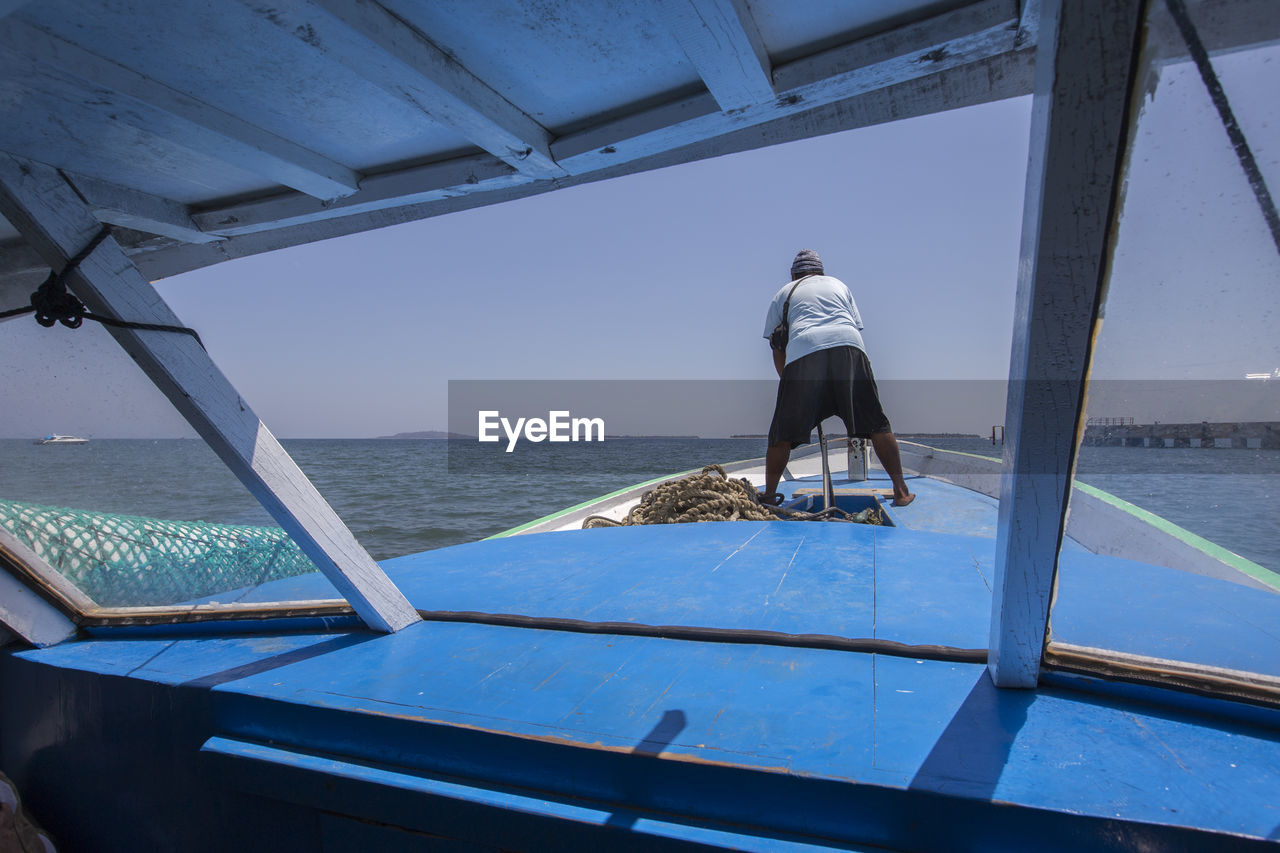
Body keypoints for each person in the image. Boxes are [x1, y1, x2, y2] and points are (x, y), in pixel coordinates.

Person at [761, 249, 915, 506]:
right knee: (876, 423)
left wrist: (790, 386)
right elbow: (852, 325)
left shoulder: (784, 293)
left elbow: (777, 346)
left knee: (782, 433)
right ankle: (900, 491)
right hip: (850, 349)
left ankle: (769, 495)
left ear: (793, 274)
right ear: (821, 272)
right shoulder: (839, 285)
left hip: (804, 352)